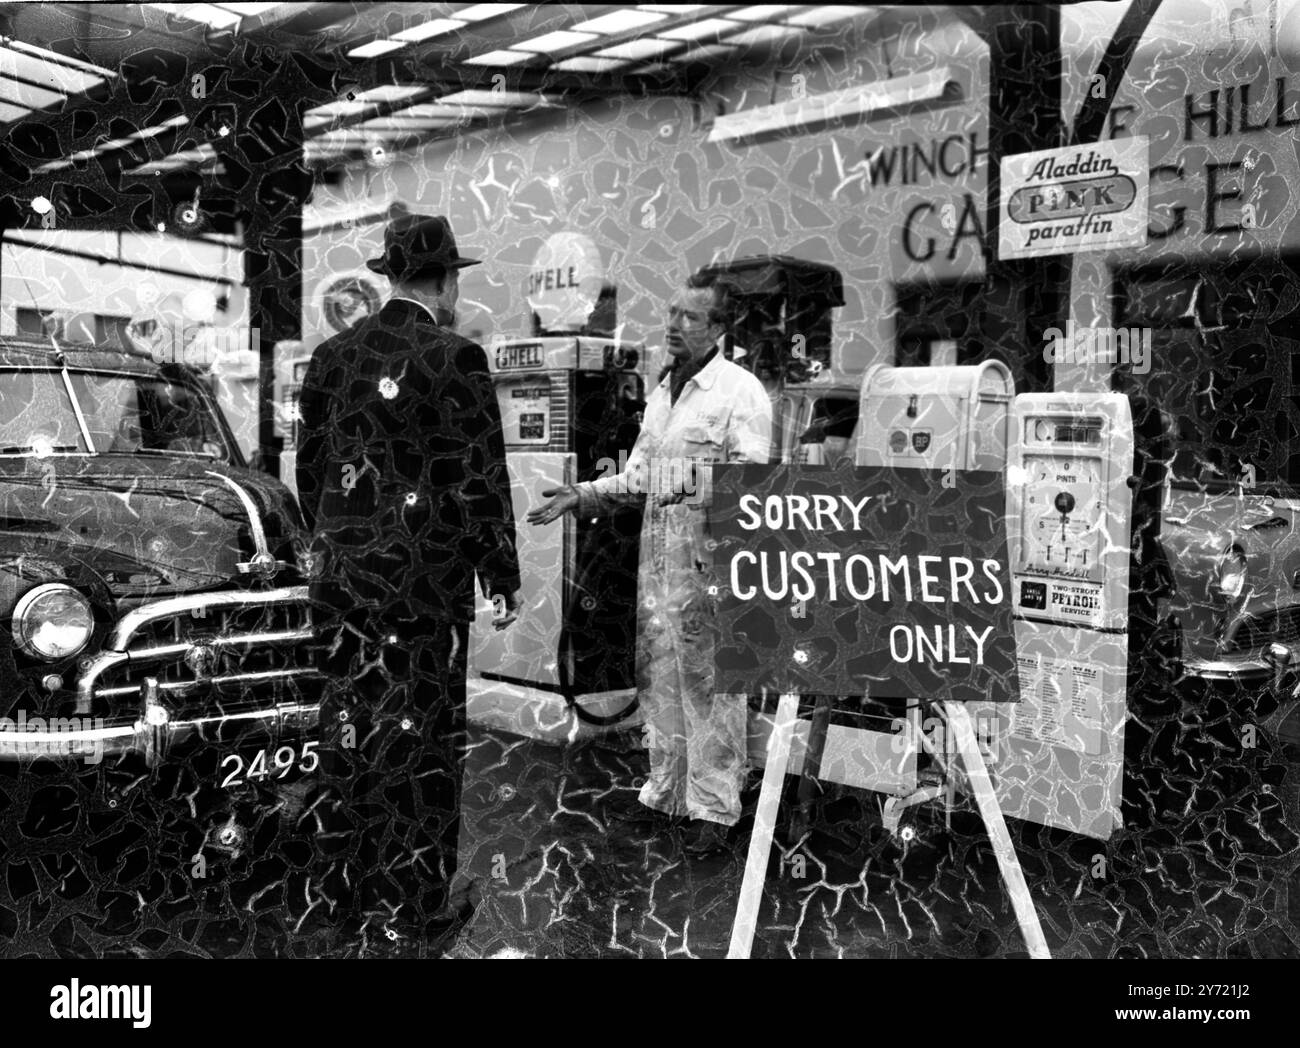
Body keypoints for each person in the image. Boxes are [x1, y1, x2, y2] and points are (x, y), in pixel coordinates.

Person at [296, 211, 522, 953]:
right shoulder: (454, 356)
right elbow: (477, 478)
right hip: (420, 593)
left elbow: (310, 473)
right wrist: (500, 573)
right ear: (446, 279)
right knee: (421, 745)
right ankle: (412, 906)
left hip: (341, 588)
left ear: (389, 274)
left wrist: (339, 544)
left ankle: (339, 891)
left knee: (347, 733)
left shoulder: (331, 358)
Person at [527, 275, 772, 855]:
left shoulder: (741, 392)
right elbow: (638, 478)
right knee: (660, 679)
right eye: (671, 313)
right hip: (659, 568)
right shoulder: (665, 393)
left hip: (709, 568)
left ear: (718, 328)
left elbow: (752, 482)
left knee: (710, 689)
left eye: (690, 317)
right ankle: (665, 796)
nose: (674, 326)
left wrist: (687, 485)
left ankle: (714, 810)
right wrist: (582, 494)